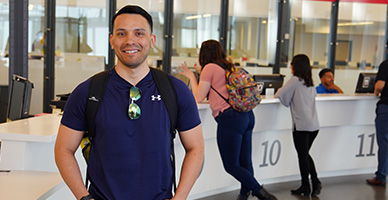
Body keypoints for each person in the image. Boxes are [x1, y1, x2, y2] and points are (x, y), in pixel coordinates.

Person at [54, 5, 204, 200]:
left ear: (152, 40)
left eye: (139, 33)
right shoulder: (87, 92)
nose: (130, 41)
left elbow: (196, 148)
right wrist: (84, 197)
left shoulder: (176, 91)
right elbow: (63, 149)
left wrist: (180, 197)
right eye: (121, 33)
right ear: (112, 40)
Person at [179, 40, 277, 200]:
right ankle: (244, 194)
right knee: (245, 161)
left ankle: (263, 194)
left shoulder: (209, 68)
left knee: (231, 165)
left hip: (230, 119)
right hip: (247, 115)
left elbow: (197, 97)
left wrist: (191, 75)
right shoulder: (228, 66)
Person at [275, 54, 322, 197]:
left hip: (301, 125)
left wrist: (287, 102)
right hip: (313, 125)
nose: (290, 66)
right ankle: (314, 182)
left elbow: (280, 94)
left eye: (292, 64)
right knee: (305, 154)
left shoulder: (295, 80)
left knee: (302, 156)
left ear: (296, 66)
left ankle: (307, 186)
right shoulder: (310, 81)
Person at [366, 43, 388, 187]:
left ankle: (381, 176)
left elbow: (380, 85)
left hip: (386, 108)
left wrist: (376, 89)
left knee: (384, 143)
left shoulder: (386, 65)